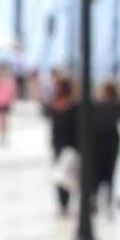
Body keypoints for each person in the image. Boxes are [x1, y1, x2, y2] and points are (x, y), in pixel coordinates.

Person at [47, 76, 79, 216]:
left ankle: (64, 204)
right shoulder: (67, 105)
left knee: (63, 174)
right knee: (64, 175)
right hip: (66, 144)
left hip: (62, 144)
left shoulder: (61, 105)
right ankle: (64, 204)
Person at [92, 82, 120, 212]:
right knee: (107, 173)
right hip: (108, 143)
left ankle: (100, 198)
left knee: (101, 173)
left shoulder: (99, 105)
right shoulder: (114, 104)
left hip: (103, 143)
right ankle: (105, 199)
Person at [0, 67, 17, 147]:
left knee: (5, 120)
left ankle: (5, 135)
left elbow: (12, 93)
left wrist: (11, 101)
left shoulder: (9, 83)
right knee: (0, 120)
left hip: (6, 103)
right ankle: (1, 136)